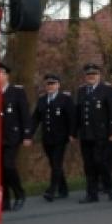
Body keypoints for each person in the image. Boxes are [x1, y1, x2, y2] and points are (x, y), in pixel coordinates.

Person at [75, 63, 112, 203]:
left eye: (94, 74)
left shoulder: (107, 90)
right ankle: (92, 194)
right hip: (86, 134)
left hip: (102, 134)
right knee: (88, 165)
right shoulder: (82, 91)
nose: (91, 77)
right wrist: (74, 132)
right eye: (88, 75)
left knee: (100, 162)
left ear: (99, 75)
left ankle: (109, 186)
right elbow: (78, 113)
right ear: (85, 76)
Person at [31, 73, 76, 202]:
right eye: (48, 84)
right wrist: (29, 134)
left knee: (56, 163)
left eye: (53, 84)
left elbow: (71, 118)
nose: (50, 87)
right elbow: (35, 119)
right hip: (47, 138)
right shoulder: (42, 100)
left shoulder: (65, 99)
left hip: (61, 138)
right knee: (54, 164)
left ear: (58, 85)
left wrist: (72, 134)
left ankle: (52, 190)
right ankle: (63, 188)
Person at [0, 62, 32, 211]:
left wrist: (27, 135)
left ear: (6, 75)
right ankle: (4, 201)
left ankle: (19, 194)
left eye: (0, 73)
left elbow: (25, 114)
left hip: (12, 136)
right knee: (0, 170)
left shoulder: (17, 92)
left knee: (8, 165)